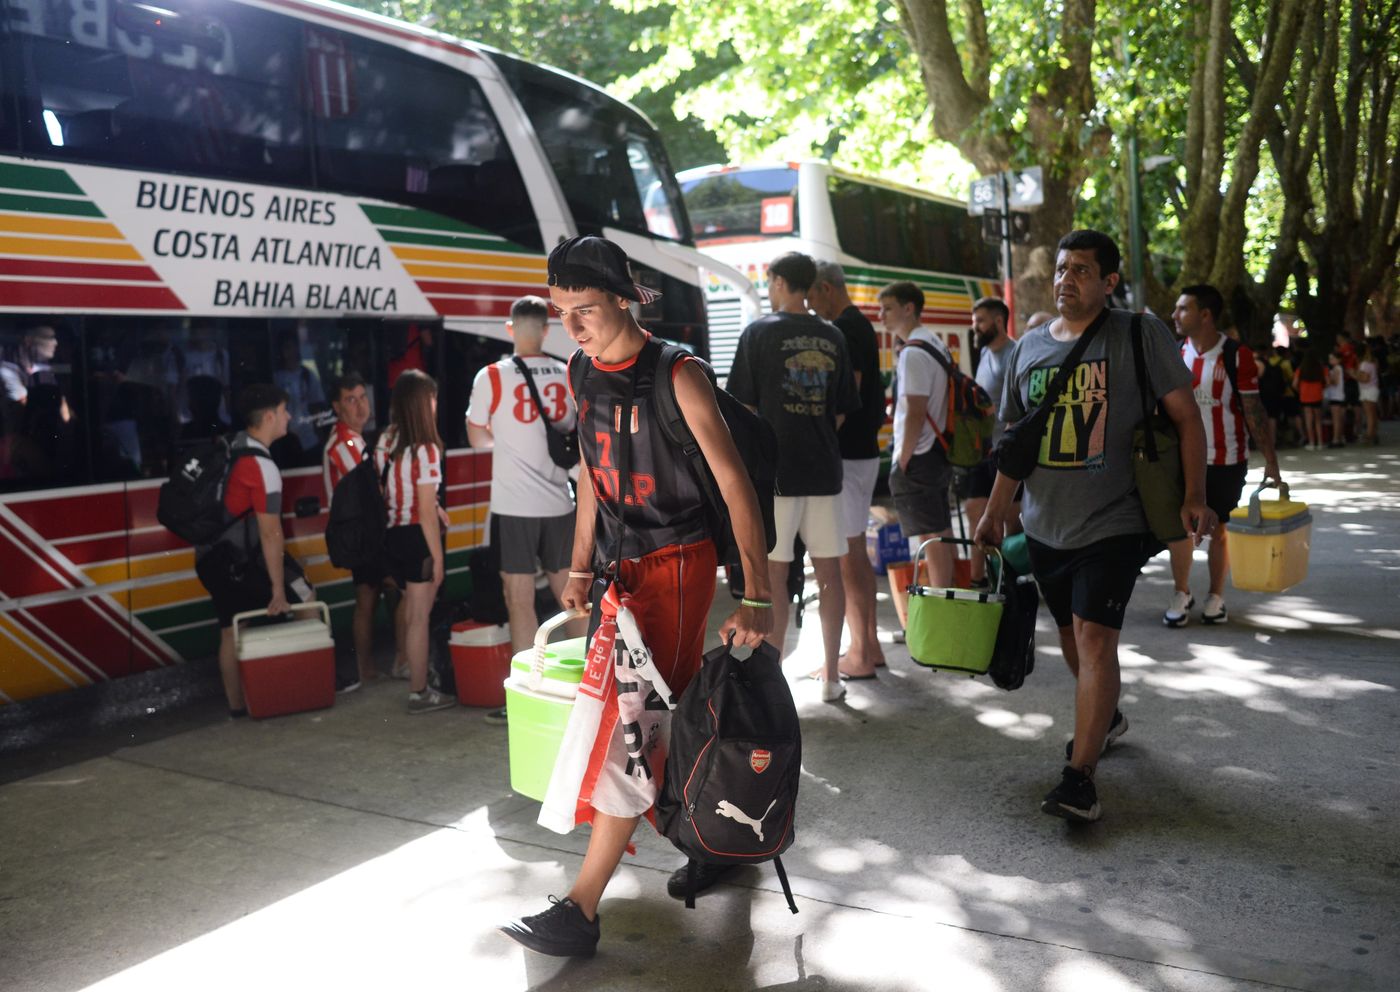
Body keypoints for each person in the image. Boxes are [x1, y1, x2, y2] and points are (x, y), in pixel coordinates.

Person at [498, 235, 772, 958]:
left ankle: (582, 908)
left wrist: (757, 593)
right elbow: (591, 474)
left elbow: (735, 481)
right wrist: (580, 565)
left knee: (633, 730)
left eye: (583, 309)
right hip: (620, 573)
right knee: (650, 722)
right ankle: (722, 840)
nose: (572, 327)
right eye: (562, 313)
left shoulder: (678, 374)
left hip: (678, 565)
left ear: (624, 298)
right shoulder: (584, 371)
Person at [974, 230, 1213, 823]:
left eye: (1081, 270)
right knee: (1069, 635)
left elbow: (1187, 419)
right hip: (1043, 526)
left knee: (1095, 637)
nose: (1065, 280)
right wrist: (994, 509)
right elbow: (1015, 445)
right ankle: (1105, 717)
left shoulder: (1138, 333)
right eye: (1061, 269)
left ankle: (1079, 777)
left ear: (1109, 282)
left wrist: (1196, 497)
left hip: (1115, 520)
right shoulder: (1028, 347)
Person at [728, 252, 859, 700]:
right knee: (829, 574)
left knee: (774, 576)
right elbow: (841, 410)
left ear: (781, 282)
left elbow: (741, 409)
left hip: (775, 475)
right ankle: (832, 678)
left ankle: (774, 680)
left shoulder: (758, 333)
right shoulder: (833, 335)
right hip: (824, 470)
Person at [467, 296, 578, 718]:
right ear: (546, 330)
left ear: (510, 329)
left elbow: (478, 437)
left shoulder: (492, 376)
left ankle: (530, 697)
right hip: (559, 505)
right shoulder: (566, 372)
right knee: (572, 598)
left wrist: (508, 442)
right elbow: (571, 433)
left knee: (519, 599)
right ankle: (585, 689)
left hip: (514, 507)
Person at [1161, 285, 1280, 628]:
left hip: (1227, 458)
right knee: (1179, 529)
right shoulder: (1174, 353)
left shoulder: (1235, 355)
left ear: (1206, 315)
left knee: (1219, 529)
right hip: (1180, 459)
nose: (1175, 315)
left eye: (1183, 309)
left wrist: (1271, 461)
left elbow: (1253, 409)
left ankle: (1216, 596)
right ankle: (1181, 592)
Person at [195, 384, 316, 716]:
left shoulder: (232, 445)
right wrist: (278, 589)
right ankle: (311, 684)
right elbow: (270, 532)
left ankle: (237, 708)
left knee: (231, 628)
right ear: (269, 416)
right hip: (245, 558)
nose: (289, 416)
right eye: (284, 410)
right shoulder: (263, 466)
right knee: (305, 599)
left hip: (212, 557)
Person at [808, 259, 887, 679]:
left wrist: (819, 437)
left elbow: (848, 392)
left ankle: (858, 654)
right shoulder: (857, 326)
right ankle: (867, 647)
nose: (809, 304)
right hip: (862, 452)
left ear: (826, 288)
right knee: (853, 554)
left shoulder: (847, 328)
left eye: (811, 294)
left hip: (849, 454)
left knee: (848, 556)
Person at [375, 370, 456, 714]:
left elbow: (389, 489)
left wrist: (433, 507)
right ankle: (419, 692)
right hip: (417, 538)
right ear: (423, 404)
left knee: (411, 612)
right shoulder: (426, 450)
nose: (436, 404)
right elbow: (423, 511)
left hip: (392, 534)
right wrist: (438, 559)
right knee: (420, 617)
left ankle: (411, 673)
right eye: (432, 398)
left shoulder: (386, 440)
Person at [880, 280, 956, 598]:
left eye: (888, 308)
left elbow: (915, 409)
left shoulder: (913, 352)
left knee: (930, 536)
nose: (882, 316)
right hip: (937, 449)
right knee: (941, 530)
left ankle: (942, 604)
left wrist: (904, 457)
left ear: (909, 308)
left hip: (920, 453)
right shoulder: (933, 343)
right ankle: (950, 599)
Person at [323, 372, 398, 689]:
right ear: (336, 407)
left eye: (362, 397)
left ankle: (374, 666)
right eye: (350, 400)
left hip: (363, 532)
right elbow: (374, 485)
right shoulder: (345, 443)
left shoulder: (352, 438)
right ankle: (375, 666)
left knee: (370, 596)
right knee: (376, 595)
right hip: (364, 534)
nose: (359, 406)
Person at [965, 297, 1021, 588]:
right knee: (975, 510)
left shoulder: (1014, 354)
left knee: (1010, 523)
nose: (975, 327)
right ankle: (978, 580)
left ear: (999, 321)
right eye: (975, 321)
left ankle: (1008, 579)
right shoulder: (985, 353)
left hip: (1006, 454)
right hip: (983, 452)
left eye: (981, 321)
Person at [1294, 351, 1326, 449]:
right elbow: (1327, 382)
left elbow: (1294, 384)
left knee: (1309, 420)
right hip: (1317, 395)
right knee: (1318, 420)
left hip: (1305, 397)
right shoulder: (1321, 369)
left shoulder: (1301, 369)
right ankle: (1320, 442)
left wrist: (1300, 391)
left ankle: (1311, 442)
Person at [1356, 343, 1381, 445]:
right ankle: (1373, 433)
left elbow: (1365, 378)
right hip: (1373, 388)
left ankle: (1369, 435)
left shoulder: (1364, 364)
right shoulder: (1374, 362)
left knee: (1369, 414)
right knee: (1373, 413)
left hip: (1367, 389)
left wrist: (1354, 375)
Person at [1324, 350, 1347, 447]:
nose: (1330, 360)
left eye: (1332, 358)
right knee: (1339, 418)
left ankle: (1336, 439)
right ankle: (1340, 437)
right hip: (1337, 396)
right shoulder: (1337, 368)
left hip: (1336, 396)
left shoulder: (1337, 368)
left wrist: (1327, 378)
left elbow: (1335, 382)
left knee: (1336, 419)